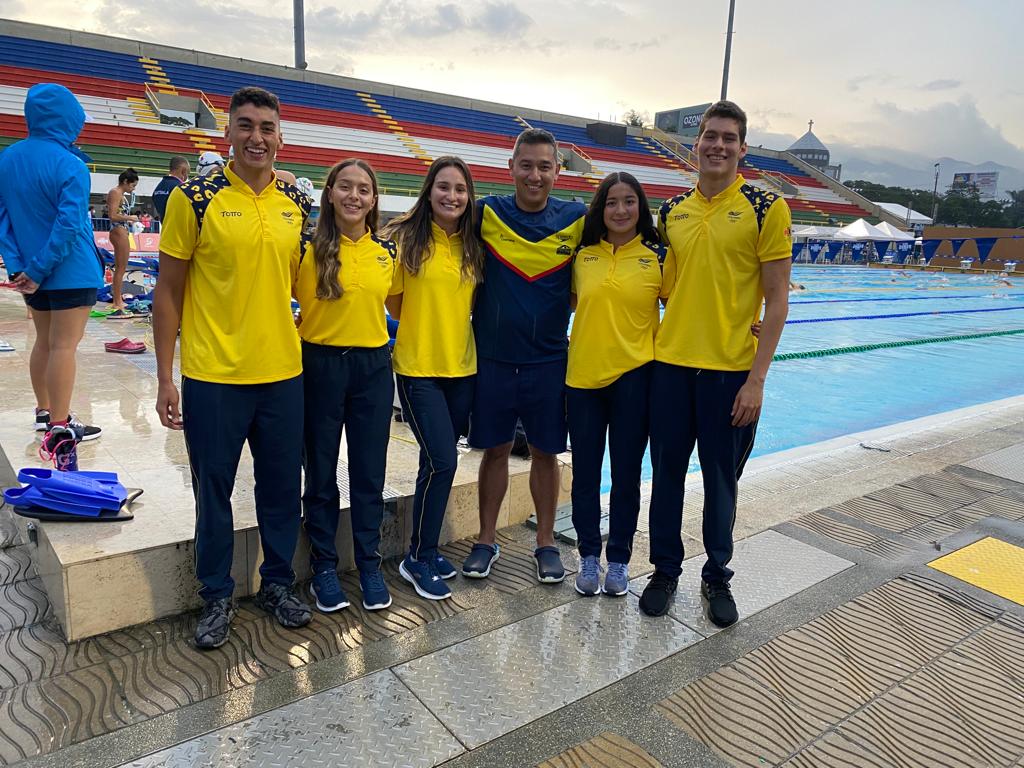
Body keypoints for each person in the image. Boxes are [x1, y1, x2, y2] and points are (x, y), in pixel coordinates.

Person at [154, 86, 312, 649]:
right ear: (227, 133)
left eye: (267, 128)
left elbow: (304, 286)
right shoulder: (194, 198)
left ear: (280, 136)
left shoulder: (296, 207)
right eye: (245, 126)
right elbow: (167, 293)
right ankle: (216, 594)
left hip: (282, 375)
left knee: (279, 488)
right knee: (212, 492)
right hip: (214, 376)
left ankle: (277, 584)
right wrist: (165, 376)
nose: (256, 137)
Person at [640, 100, 792, 625]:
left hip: (730, 373)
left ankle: (716, 577)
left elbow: (778, 299)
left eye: (729, 137)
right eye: (710, 136)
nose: (718, 145)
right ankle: (664, 571)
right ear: (695, 144)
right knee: (665, 479)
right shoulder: (673, 210)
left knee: (720, 483)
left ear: (742, 148)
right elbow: (668, 290)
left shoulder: (765, 206)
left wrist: (757, 380)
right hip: (671, 367)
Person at [462, 128, 586, 583]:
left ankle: (546, 543)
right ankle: (485, 539)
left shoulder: (577, 218)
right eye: (527, 165)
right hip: (493, 361)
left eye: (544, 166)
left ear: (558, 170)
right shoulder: (486, 213)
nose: (535, 175)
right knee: (493, 452)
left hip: (548, 362)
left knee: (546, 454)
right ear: (510, 167)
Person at [294, 158, 396, 614]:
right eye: (346, 187)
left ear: (374, 200)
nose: (355, 196)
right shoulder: (304, 250)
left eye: (364, 190)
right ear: (330, 192)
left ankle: (370, 563)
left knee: (368, 472)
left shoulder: (386, 254)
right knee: (319, 472)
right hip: (319, 364)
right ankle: (324, 566)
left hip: (373, 368)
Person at [382, 156, 484, 601]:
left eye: (460, 190)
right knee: (443, 460)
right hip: (419, 368)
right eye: (444, 187)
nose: (452, 196)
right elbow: (394, 305)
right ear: (429, 190)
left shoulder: (472, 244)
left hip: (461, 369)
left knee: (437, 463)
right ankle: (416, 558)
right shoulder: (407, 239)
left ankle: (425, 547)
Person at [567, 172, 670, 597]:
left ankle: (621, 560)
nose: (621, 210)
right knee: (585, 475)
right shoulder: (583, 255)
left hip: (635, 377)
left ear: (640, 208)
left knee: (626, 475)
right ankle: (589, 555)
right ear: (601, 209)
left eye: (629, 201)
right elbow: (565, 304)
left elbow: (685, 306)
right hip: (583, 379)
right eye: (612, 202)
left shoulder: (659, 256)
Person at [0, 83, 103, 459]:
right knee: (64, 346)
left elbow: (3, 218)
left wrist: (20, 268)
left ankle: (44, 410)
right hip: (70, 270)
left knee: (42, 341)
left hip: (29, 272)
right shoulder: (71, 163)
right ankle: (61, 426)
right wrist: (43, 268)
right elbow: (70, 223)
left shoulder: (7, 159)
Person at [106, 168, 140, 314]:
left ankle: (118, 299)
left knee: (122, 267)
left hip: (122, 231)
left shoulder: (123, 195)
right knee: (120, 268)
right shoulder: (115, 192)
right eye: (132, 186)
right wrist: (130, 218)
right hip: (118, 231)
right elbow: (113, 215)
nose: (132, 190)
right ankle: (117, 301)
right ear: (125, 182)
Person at [152, 156, 189, 220]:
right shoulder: (181, 188)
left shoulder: (158, 188)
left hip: (164, 227)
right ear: (183, 171)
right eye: (188, 173)